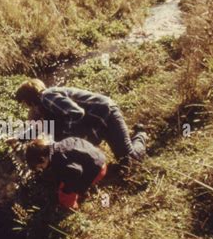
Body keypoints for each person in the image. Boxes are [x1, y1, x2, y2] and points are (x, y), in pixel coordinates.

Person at [15, 78, 147, 165]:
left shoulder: (47, 97)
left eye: (25, 103)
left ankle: (141, 132)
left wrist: (68, 137)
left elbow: (76, 113)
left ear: (30, 99)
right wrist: (19, 138)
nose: (28, 107)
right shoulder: (44, 107)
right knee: (124, 161)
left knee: (130, 160)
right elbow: (41, 126)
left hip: (107, 114)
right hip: (97, 123)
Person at [25, 137, 108, 210]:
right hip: (100, 158)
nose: (42, 169)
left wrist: (66, 190)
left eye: (40, 167)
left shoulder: (58, 162)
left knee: (64, 195)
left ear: (42, 158)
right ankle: (85, 188)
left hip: (98, 171)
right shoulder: (60, 145)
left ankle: (71, 208)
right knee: (65, 180)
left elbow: (76, 172)